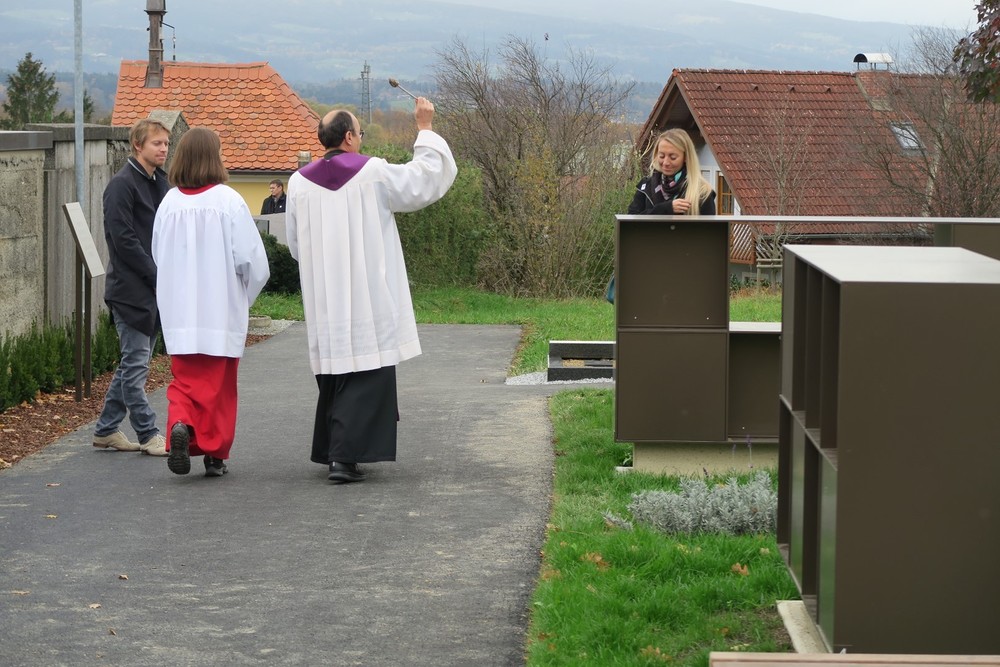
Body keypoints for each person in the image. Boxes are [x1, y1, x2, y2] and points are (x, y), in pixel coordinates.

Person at [286, 98, 457, 484]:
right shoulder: (373, 172)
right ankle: (343, 459)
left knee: (336, 372)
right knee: (365, 371)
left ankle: (334, 451)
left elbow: (296, 245)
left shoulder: (298, 183)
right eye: (360, 133)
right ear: (349, 137)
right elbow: (423, 180)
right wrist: (425, 129)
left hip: (326, 297)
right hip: (367, 293)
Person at [151, 127, 270, 477]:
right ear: (213, 158)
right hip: (220, 310)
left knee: (183, 382)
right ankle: (215, 455)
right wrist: (244, 297)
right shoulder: (228, 201)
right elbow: (252, 262)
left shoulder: (169, 203)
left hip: (179, 312)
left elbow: (157, 254)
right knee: (218, 388)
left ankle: (181, 425)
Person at [92, 118, 171, 456]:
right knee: (136, 366)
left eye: (166, 143)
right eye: (157, 143)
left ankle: (106, 429)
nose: (164, 149)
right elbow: (123, 241)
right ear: (138, 145)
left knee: (132, 364)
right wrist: (157, 275)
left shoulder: (160, 182)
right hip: (130, 291)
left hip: (153, 289)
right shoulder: (121, 185)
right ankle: (149, 432)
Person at [627, 128, 716, 216]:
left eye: (673, 157)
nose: (666, 163)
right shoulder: (646, 186)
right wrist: (665, 209)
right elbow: (631, 219)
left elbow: (709, 225)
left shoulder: (702, 192)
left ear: (686, 157)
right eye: (662, 156)